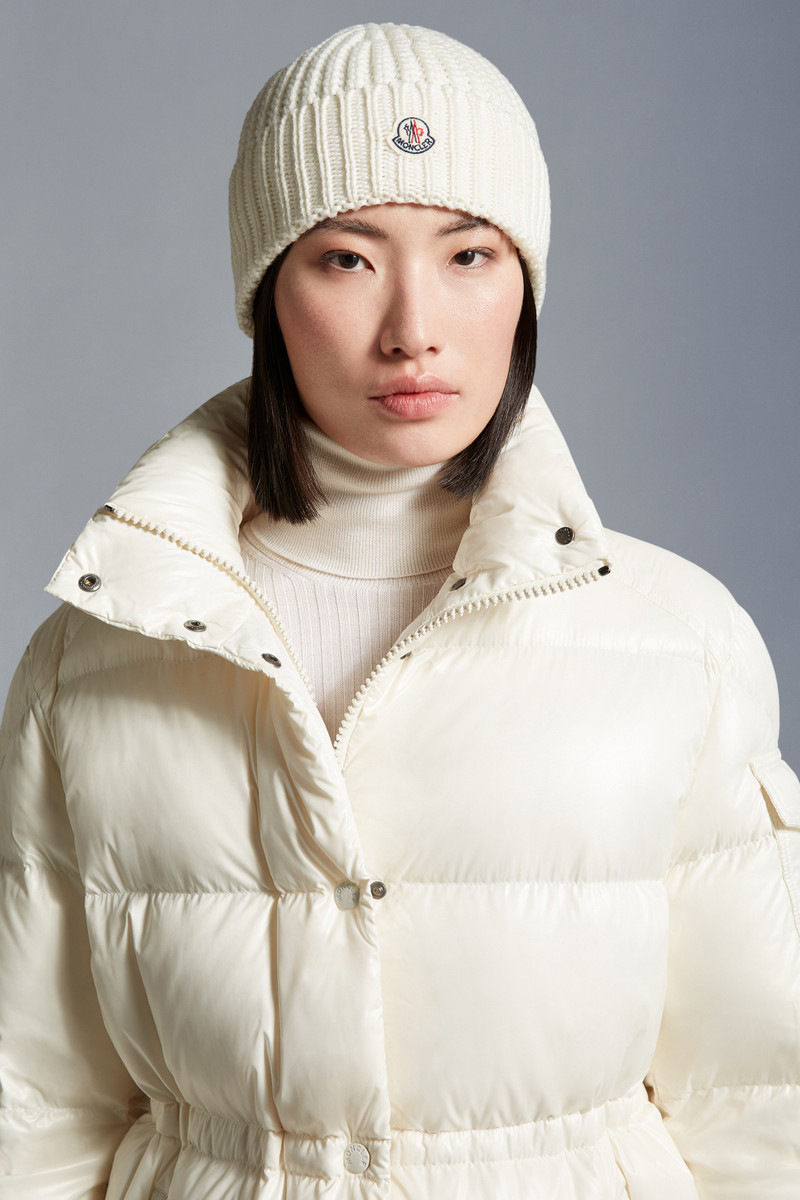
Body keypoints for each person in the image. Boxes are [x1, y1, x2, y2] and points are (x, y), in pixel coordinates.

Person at [0, 21, 798, 1199]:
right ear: (268, 293)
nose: (412, 327)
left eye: (469, 253)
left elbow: (762, 1104)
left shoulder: (677, 639)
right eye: (346, 259)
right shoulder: (98, 651)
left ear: (523, 284)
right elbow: (35, 1111)